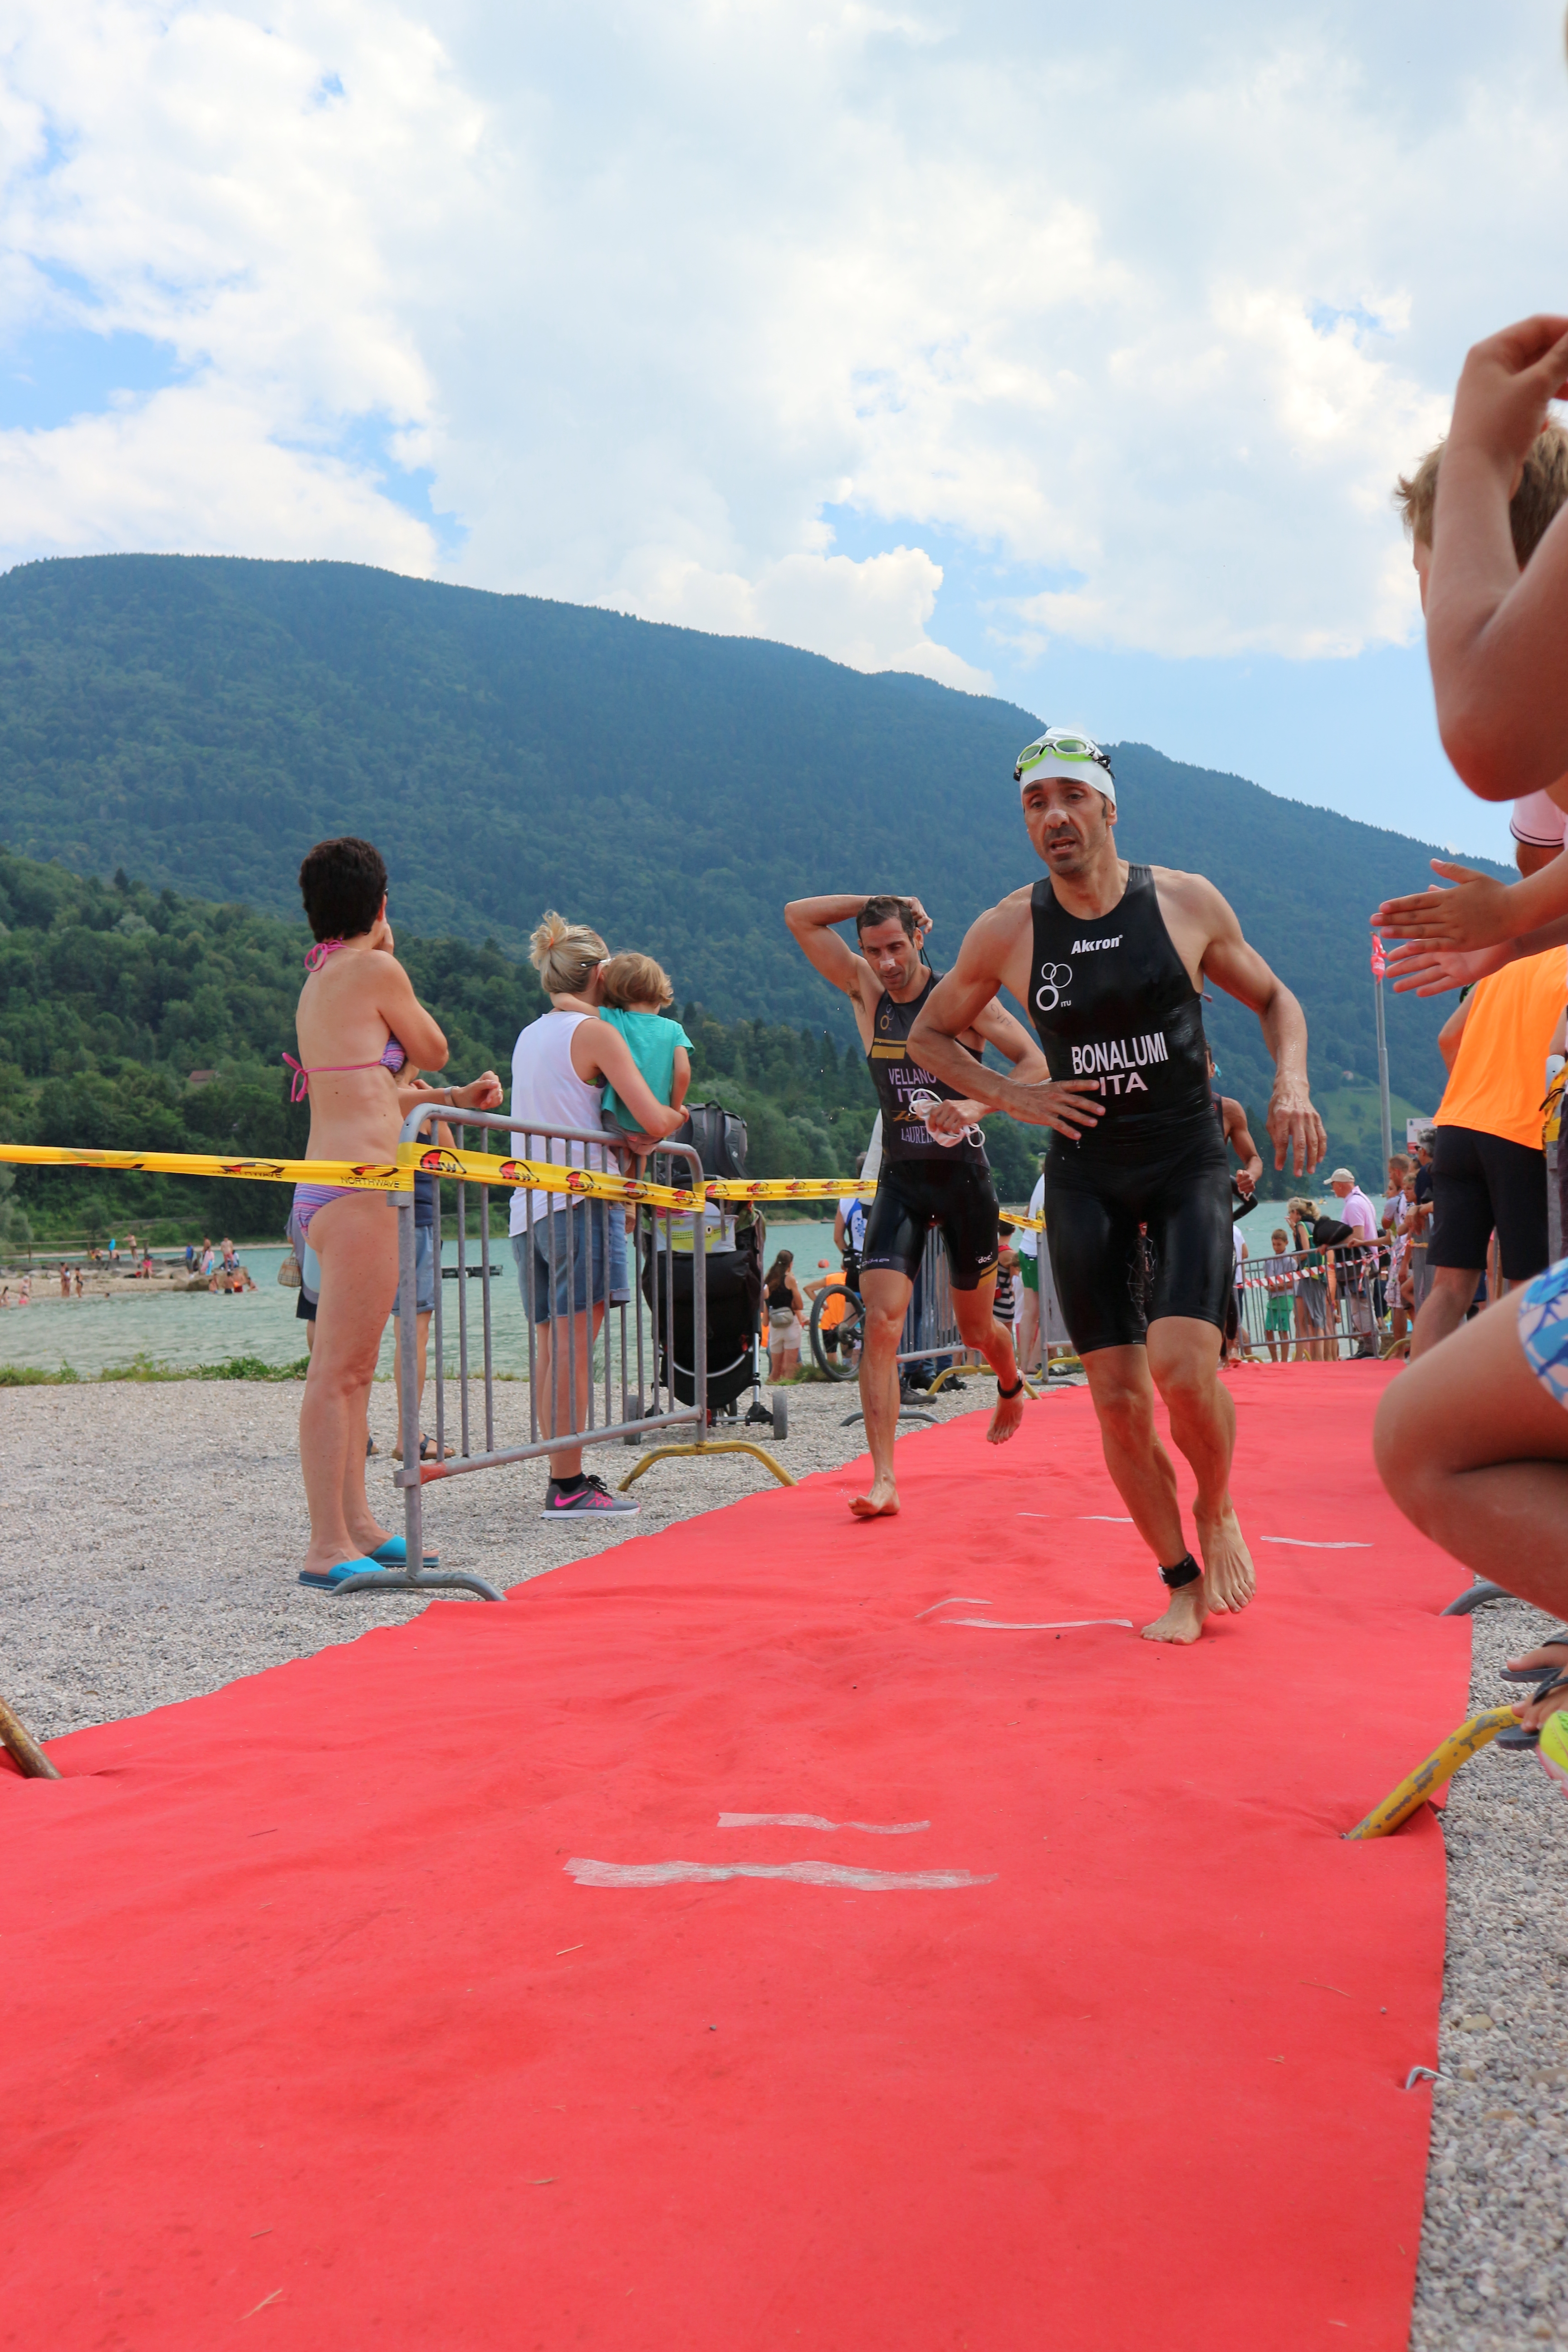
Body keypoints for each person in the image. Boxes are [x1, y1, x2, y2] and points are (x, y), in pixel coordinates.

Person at [911, 725, 1324, 1642]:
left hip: (1184, 1159)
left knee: (1183, 1371)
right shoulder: (1009, 928)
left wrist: (1290, 1079)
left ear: (1107, 807)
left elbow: (1276, 1000)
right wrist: (1014, 1096)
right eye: (1035, 804)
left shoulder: (1181, 902)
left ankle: (1217, 1507)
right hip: (1087, 1172)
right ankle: (1177, 1578)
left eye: (1071, 799)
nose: (1055, 818)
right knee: (1119, 1400)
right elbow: (930, 1038)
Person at [784, 888, 1049, 1518]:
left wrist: (981, 1104)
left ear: (920, 939)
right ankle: (884, 1480)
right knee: (882, 1322)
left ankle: (1010, 1383)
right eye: (874, 950)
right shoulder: (866, 991)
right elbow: (798, 916)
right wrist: (886, 897)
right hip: (902, 1180)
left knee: (976, 1328)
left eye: (897, 947)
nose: (886, 963)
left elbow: (1036, 1061)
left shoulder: (960, 998)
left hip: (964, 1181)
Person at [285, 835, 452, 1589]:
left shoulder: (320, 977)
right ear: (381, 905)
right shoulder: (376, 967)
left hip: (326, 1180)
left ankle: (359, 1524)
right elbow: (433, 1046)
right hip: (359, 1186)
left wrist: (440, 1101)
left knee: (349, 1369)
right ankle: (326, 1542)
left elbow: (371, 1086)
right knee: (341, 1370)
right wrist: (392, 952)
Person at [511, 913, 684, 1518]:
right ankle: (568, 1484)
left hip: (528, 1207)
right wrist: (675, 1119)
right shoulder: (596, 1033)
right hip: (582, 1202)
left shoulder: (531, 1034)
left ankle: (562, 1469)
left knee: (551, 1346)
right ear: (603, 974)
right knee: (575, 1349)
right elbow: (652, 1118)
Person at [1401, 951, 1564, 1359]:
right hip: (1525, 1131)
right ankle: (1521, 1407)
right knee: (1530, 1283)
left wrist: (1476, 1093)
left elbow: (1447, 1038)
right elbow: (1560, 1046)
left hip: (1458, 1128)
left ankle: (1419, 1403)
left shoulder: (1509, 963)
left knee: (1450, 1284)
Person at [392, 1072, 505, 1462]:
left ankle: (366, 1432)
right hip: (412, 1219)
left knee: (383, 1327)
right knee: (413, 1327)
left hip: (386, 1215)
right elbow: (449, 1165)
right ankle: (410, 1434)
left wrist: (437, 1108)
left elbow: (448, 1160)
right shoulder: (397, 1098)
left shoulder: (375, 1093)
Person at [1324, 1168, 1381, 1358]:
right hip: (1367, 1260)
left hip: (1360, 1263)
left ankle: (1371, 1347)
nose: (1333, 1189)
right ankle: (1368, 1346)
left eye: (1333, 1185)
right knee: (1361, 1306)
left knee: (1361, 1307)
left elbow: (1357, 1237)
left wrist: (1331, 1244)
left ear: (1340, 1185)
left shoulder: (1354, 1205)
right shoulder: (1363, 1200)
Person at [1286, 1198, 1333, 1362]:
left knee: (1316, 1320)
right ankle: (1317, 1357)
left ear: (1296, 1213)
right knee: (1310, 1318)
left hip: (1309, 1274)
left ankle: (1318, 1358)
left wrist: (1293, 1256)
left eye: (1290, 1213)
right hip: (1317, 1273)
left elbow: (1305, 1252)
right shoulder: (1313, 1224)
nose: (1289, 1216)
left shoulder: (1302, 1226)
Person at [1013, 1164, 1046, 1375]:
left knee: (1030, 1311)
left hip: (1028, 1248)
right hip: (1040, 1251)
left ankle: (1024, 1363)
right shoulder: (1057, 1180)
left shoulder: (1042, 1180)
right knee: (1052, 1311)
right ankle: (1035, 1361)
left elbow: (1027, 1214)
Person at [763, 1249, 807, 1379]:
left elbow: (766, 1311)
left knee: (775, 1373)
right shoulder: (790, 1280)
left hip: (775, 1329)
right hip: (790, 1326)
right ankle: (788, 1395)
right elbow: (799, 1305)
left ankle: (767, 1395)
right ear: (791, 1264)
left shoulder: (768, 1281)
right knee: (790, 1370)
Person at [1259, 1228, 1298, 1362]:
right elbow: (1265, 1281)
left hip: (1286, 1298)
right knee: (1268, 1329)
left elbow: (1292, 1283)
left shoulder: (1290, 1261)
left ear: (1286, 1243)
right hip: (1273, 1298)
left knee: (1283, 1330)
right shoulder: (1268, 1262)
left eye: (1279, 1244)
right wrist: (1269, 1287)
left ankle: (1284, 1360)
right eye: (1274, 1244)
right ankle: (1274, 1359)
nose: (1276, 1247)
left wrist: (1275, 1286)